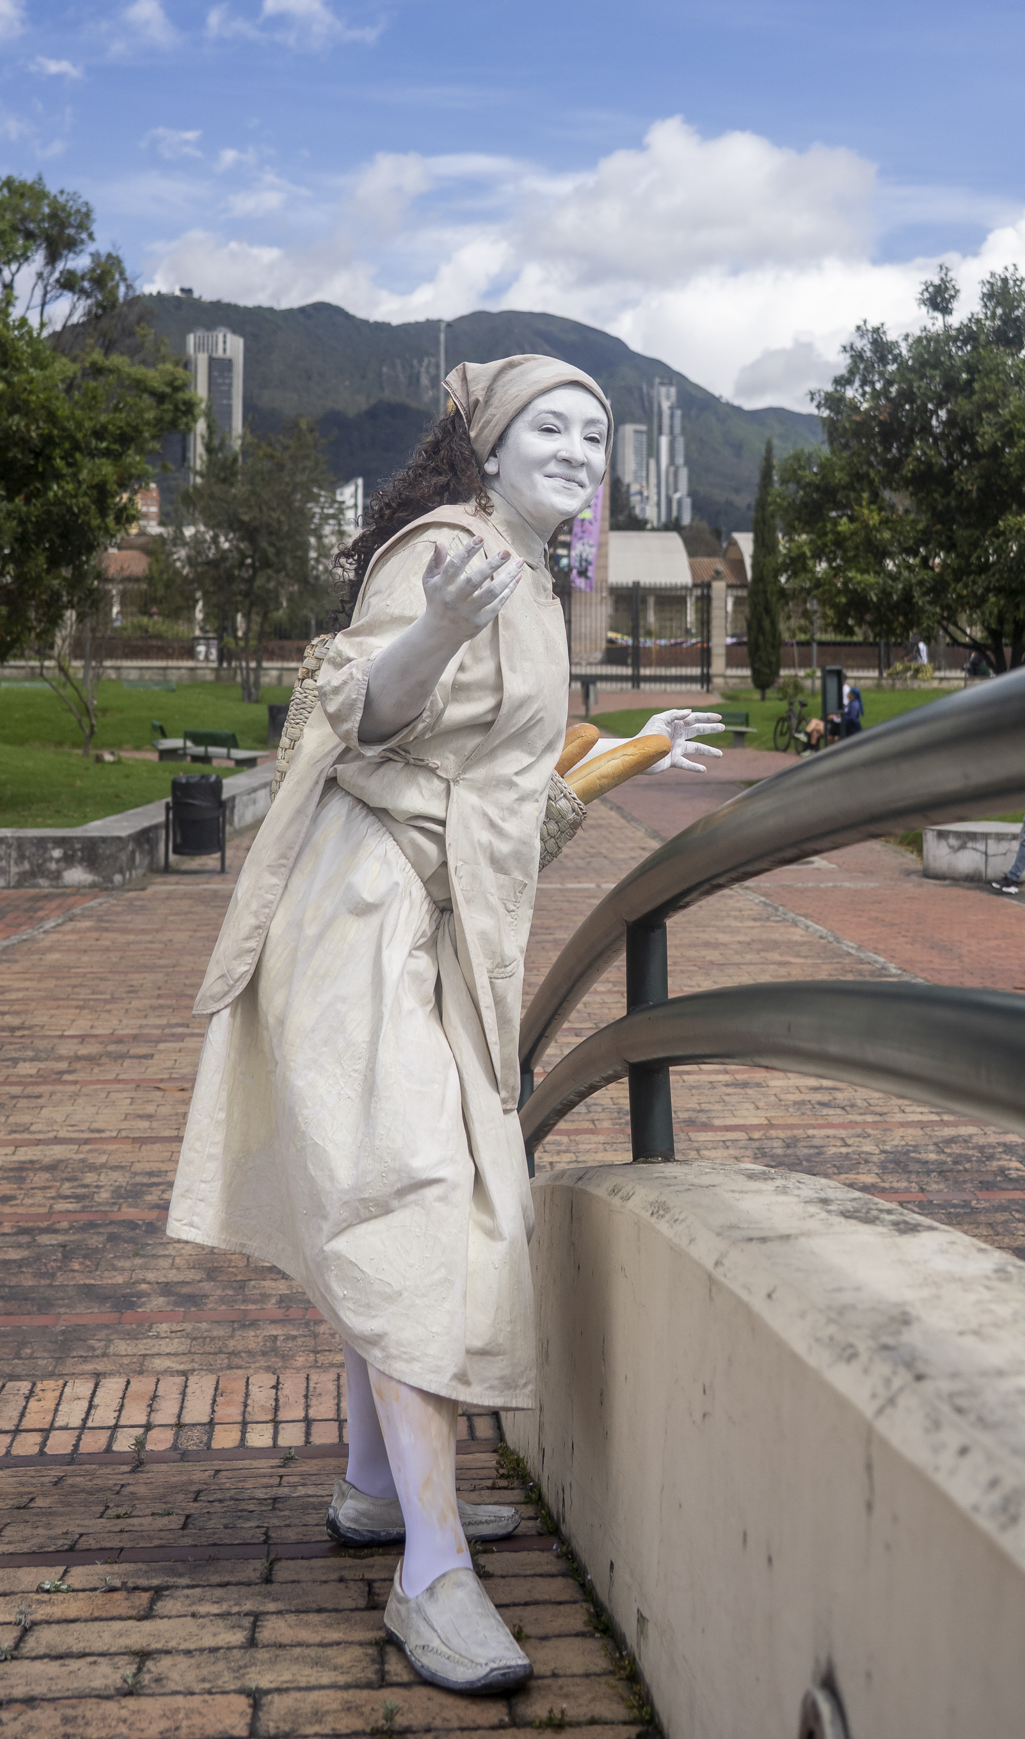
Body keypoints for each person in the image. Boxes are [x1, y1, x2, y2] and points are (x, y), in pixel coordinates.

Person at [165, 356, 720, 1695]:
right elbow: (361, 708)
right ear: (491, 441)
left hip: (436, 919)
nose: (579, 449)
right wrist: (429, 630)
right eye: (552, 427)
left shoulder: (532, 583)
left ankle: (375, 1485)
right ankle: (430, 1572)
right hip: (360, 914)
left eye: (595, 433)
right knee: (411, 1195)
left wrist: (637, 750)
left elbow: (509, 802)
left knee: (399, 1185)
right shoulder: (450, 550)